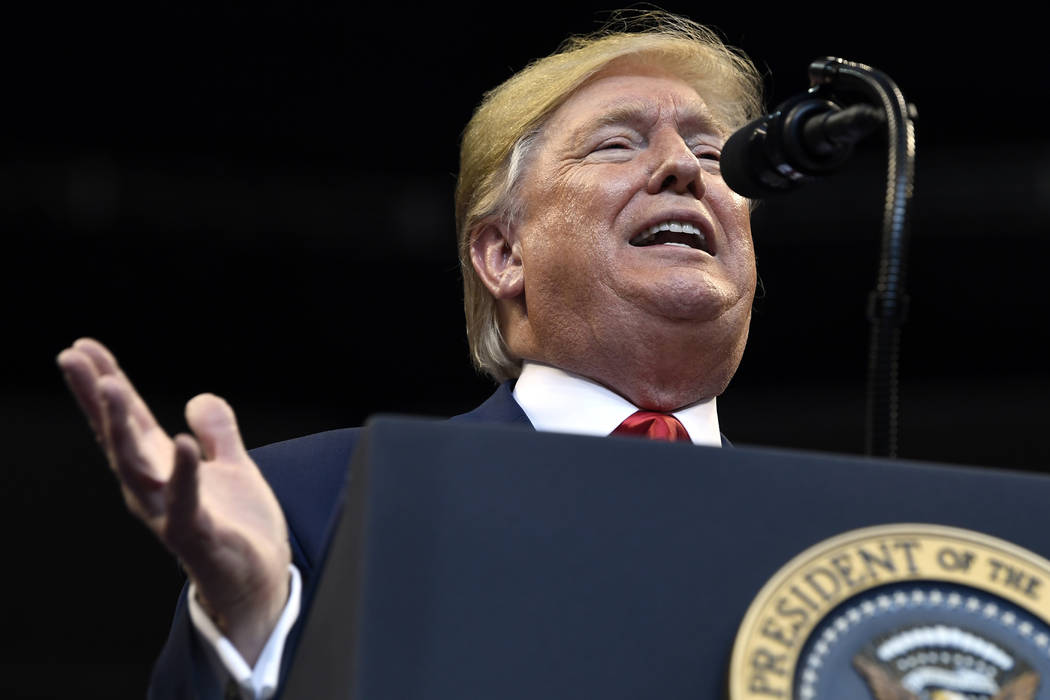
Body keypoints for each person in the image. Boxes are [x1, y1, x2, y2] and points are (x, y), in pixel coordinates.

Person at [56, 10, 765, 699]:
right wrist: (249, 623)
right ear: (503, 253)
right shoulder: (316, 502)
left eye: (711, 153)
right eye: (618, 144)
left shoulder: (838, 538)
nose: (682, 167)